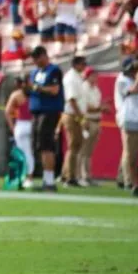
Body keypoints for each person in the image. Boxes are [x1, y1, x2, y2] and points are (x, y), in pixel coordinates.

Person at [28, 45, 64, 192]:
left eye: (37, 58)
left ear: (44, 56)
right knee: (40, 146)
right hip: (37, 111)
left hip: (49, 111)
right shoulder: (35, 72)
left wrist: (37, 88)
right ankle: (45, 179)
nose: (35, 62)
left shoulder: (53, 70)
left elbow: (55, 90)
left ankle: (50, 181)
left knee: (47, 146)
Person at [115, 56, 138, 196]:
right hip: (130, 121)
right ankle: (133, 184)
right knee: (131, 156)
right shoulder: (122, 80)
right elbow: (135, 90)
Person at [60, 56, 87, 186]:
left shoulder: (77, 77)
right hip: (72, 114)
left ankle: (66, 174)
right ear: (76, 64)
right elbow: (72, 99)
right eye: (83, 64)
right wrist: (80, 116)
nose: (85, 66)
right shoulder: (71, 78)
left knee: (76, 144)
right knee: (73, 145)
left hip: (74, 114)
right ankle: (70, 177)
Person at [4, 76, 35, 190]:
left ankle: (24, 177)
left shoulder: (16, 95)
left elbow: (7, 112)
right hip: (30, 124)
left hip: (21, 125)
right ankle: (27, 177)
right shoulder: (35, 93)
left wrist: (12, 128)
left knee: (22, 153)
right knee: (28, 152)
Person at [78, 66, 102, 187]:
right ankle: (81, 176)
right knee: (83, 149)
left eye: (96, 75)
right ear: (87, 76)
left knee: (89, 152)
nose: (95, 77)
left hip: (96, 121)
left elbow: (96, 105)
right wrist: (100, 108)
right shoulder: (84, 88)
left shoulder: (96, 89)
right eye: (93, 75)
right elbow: (86, 107)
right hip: (88, 121)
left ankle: (88, 175)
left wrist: (100, 108)